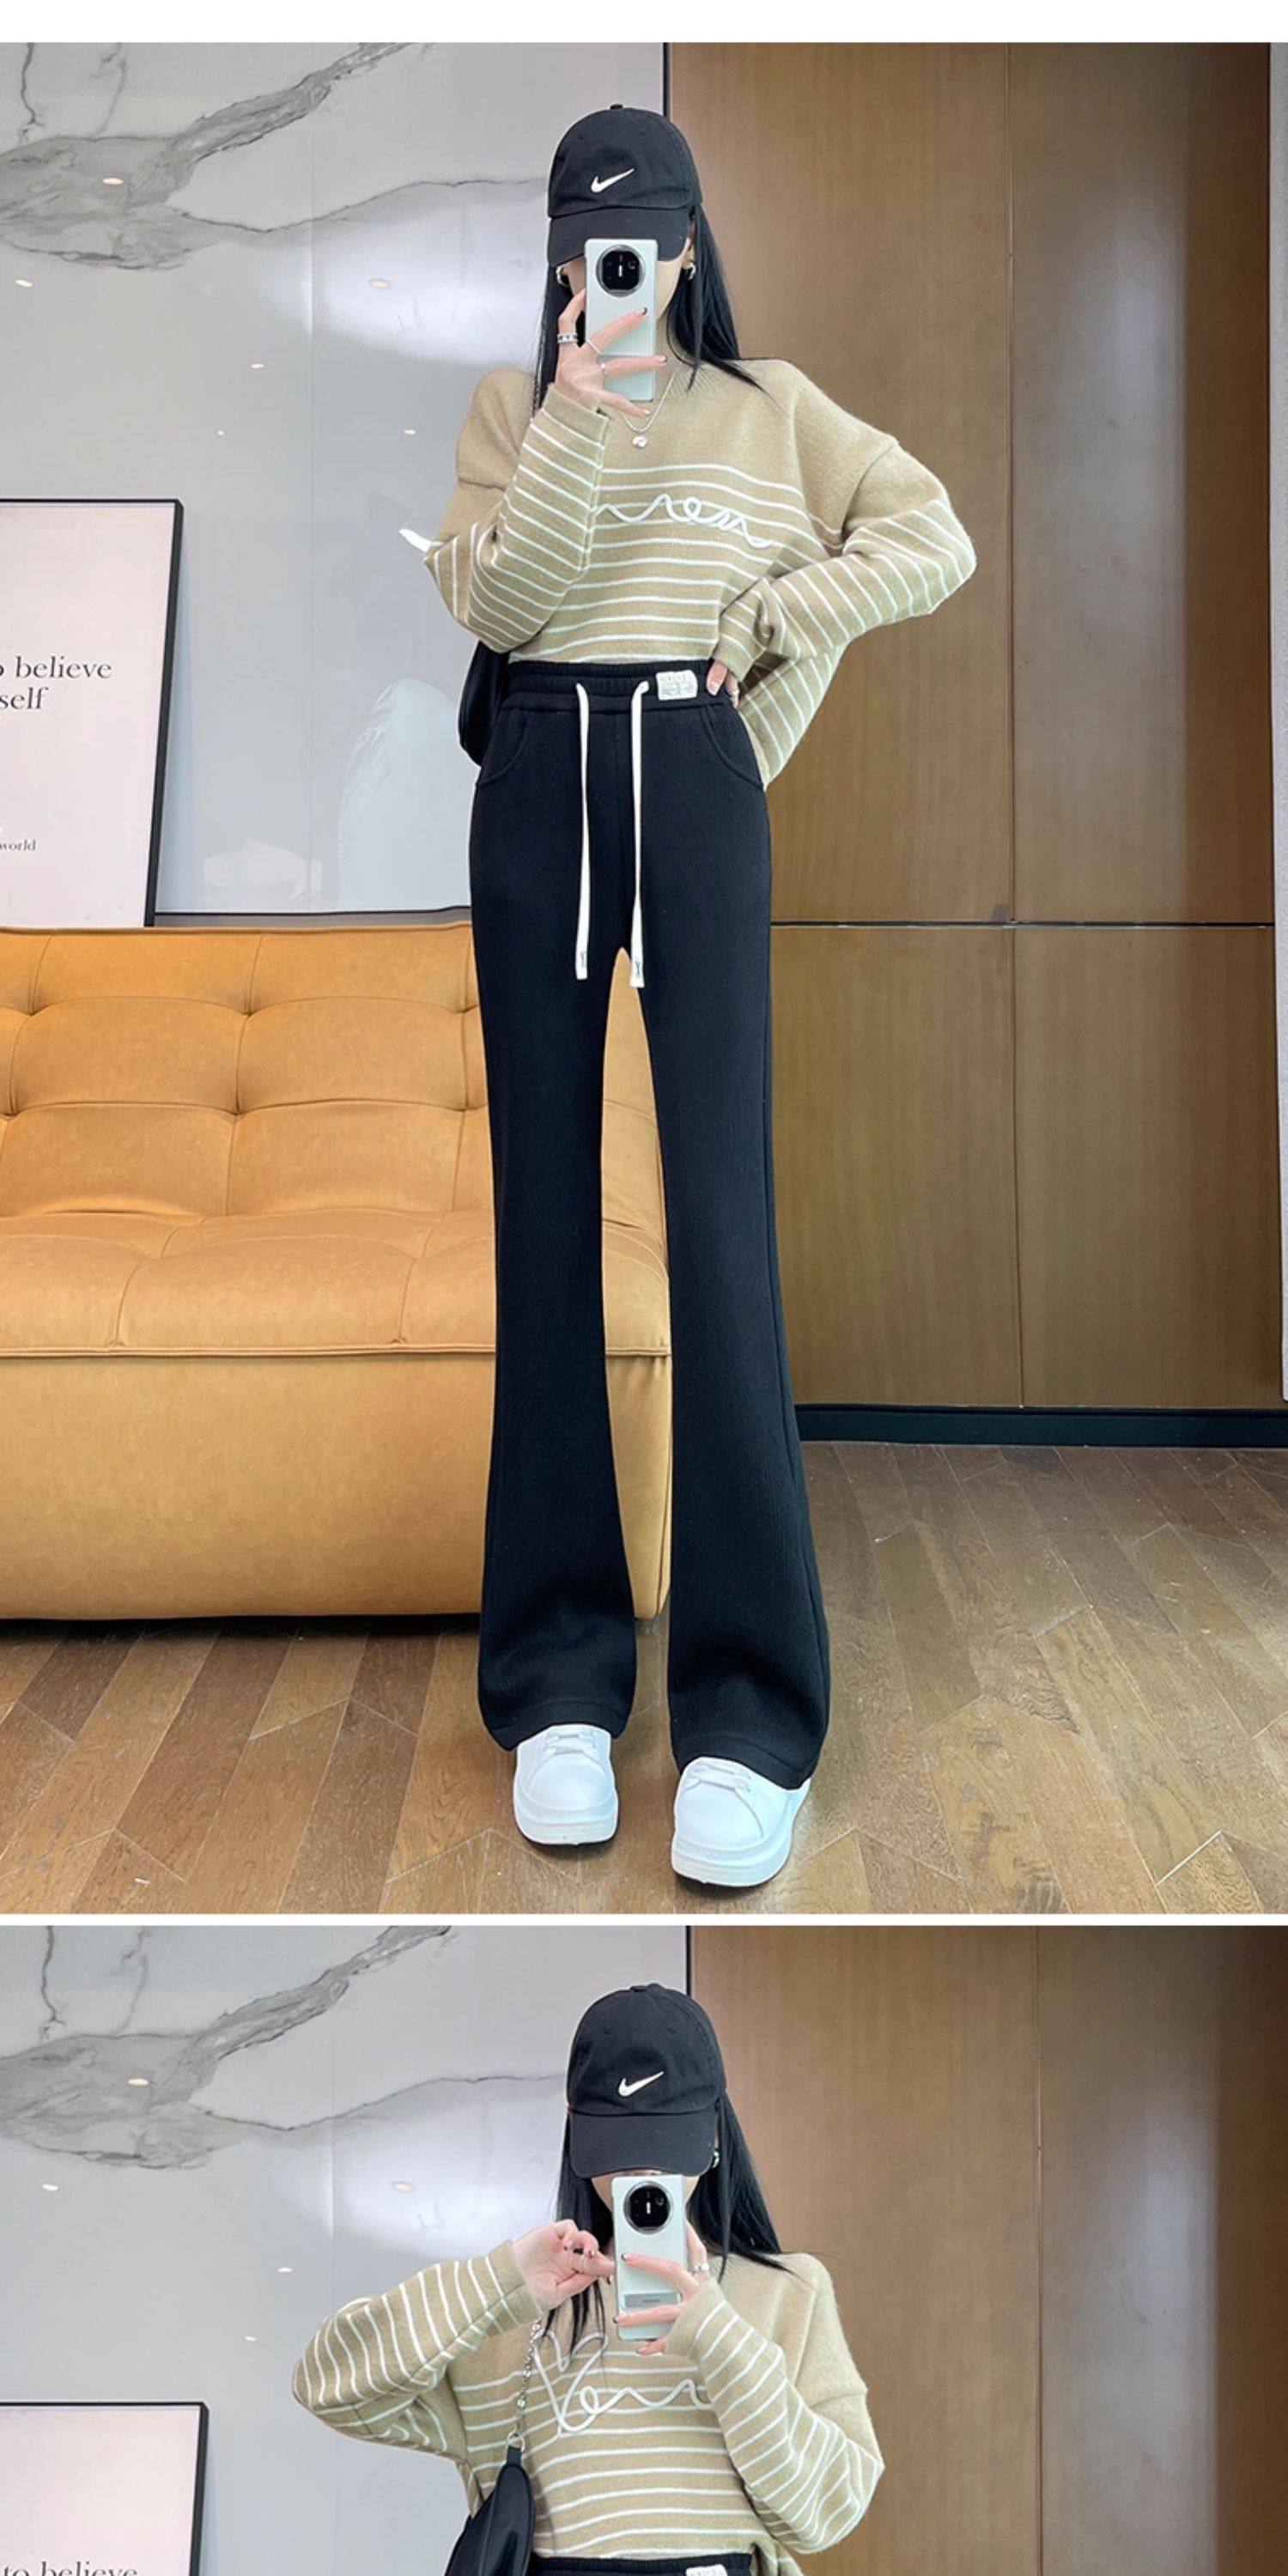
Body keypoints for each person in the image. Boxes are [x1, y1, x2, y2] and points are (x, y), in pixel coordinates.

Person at [424, 104, 976, 1889]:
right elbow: (507, 601)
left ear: (683, 246)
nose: (612, 272)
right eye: (583, 247)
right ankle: (557, 1682)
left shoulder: (774, 406)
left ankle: (750, 1713)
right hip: (538, 776)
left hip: (690, 771)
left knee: (723, 1232)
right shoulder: (512, 409)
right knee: (544, 1230)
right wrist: (577, 414)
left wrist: (785, 617)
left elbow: (934, 538)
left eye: (638, 244)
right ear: (557, 258)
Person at [292, 1983, 884, 2576]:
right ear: (577, 2135)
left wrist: (721, 2343)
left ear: (713, 2139)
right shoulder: (514, 2307)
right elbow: (329, 2387)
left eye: (666, 2144)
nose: (643, 2170)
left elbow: (826, 2513)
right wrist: (499, 2283)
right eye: (617, 2149)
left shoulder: (788, 2293)